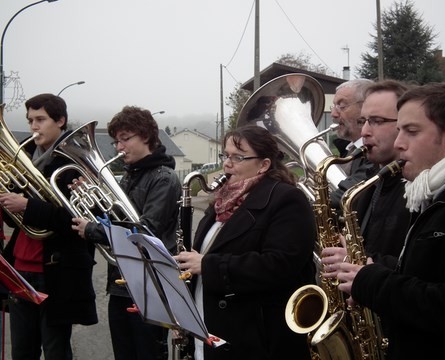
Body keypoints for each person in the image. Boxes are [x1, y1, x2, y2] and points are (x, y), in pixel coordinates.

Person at [334, 83, 445, 359]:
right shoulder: (430, 191)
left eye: (411, 131)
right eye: (399, 129)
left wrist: (371, 281)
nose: (399, 142)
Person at [174, 125, 316, 360]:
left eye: (238, 157)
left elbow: (280, 265)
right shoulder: (223, 199)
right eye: (226, 155)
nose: (227, 164)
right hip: (207, 329)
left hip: (256, 340)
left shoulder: (287, 199)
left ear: (264, 164)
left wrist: (208, 265)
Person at [72, 105, 182, 360]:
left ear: (145, 136)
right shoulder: (129, 176)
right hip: (121, 282)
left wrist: (94, 230)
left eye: (125, 138)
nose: (118, 147)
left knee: (147, 353)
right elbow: (116, 219)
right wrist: (91, 201)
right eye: (116, 141)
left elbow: (145, 232)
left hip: (150, 283)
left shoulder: (163, 178)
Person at [0, 93, 98, 359]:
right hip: (20, 268)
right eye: (30, 120)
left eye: (40, 119)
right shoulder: (24, 155)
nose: (34, 126)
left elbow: (75, 222)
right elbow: (16, 221)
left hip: (55, 272)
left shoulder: (74, 163)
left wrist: (28, 206)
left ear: (61, 121)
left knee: (55, 350)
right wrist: (8, 202)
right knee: (22, 350)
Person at [322, 80, 410, 271]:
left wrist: (361, 264)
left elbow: (416, 270)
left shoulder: (419, 188)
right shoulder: (373, 180)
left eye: (377, 121)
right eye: (363, 122)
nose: (365, 132)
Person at [329, 78, 378, 210]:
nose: (333, 114)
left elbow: (348, 194)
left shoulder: (375, 153)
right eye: (333, 106)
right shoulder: (347, 151)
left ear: (365, 107)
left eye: (342, 106)